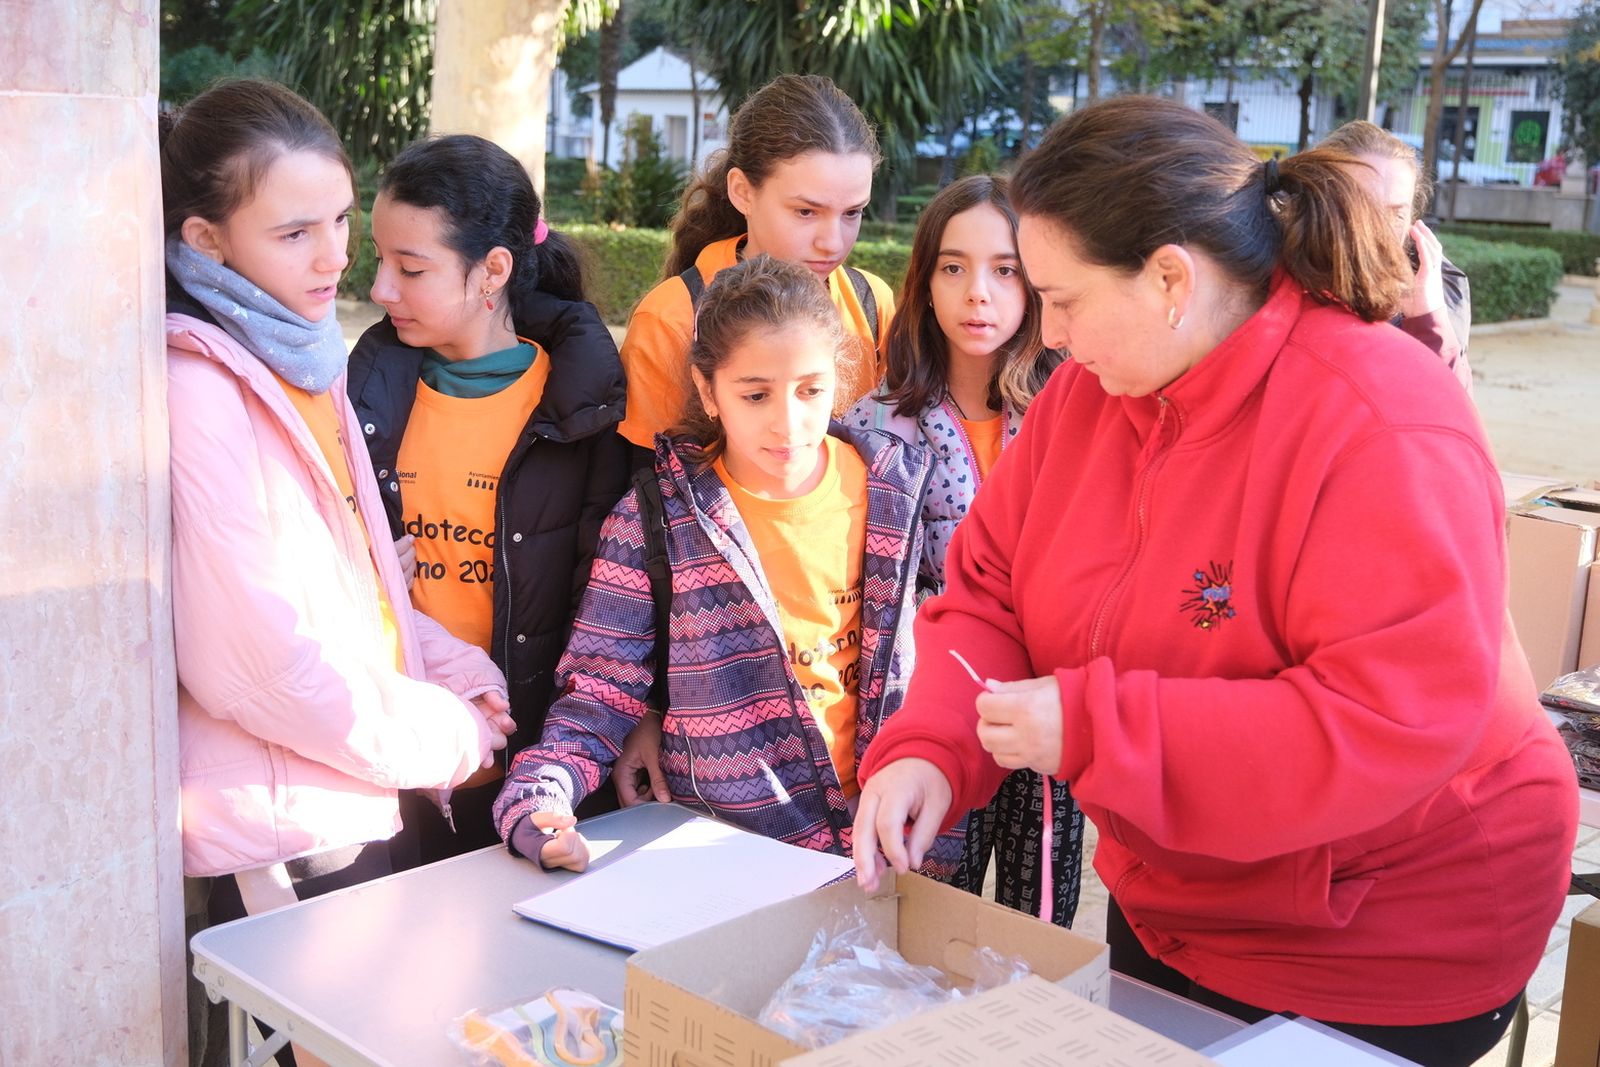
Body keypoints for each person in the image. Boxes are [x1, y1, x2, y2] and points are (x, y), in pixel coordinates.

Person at [852, 96, 1576, 1067]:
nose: (1050, 331)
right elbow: (988, 590)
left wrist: (1098, 726)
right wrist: (932, 745)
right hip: (1177, 895)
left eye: (1063, 297)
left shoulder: (1382, 423)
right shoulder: (1084, 399)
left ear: (1167, 280)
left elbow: (1383, 718)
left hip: (1383, 929)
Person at [162, 79, 531, 1065]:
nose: (336, 258)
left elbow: (366, 587)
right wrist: (446, 731)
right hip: (286, 833)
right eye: (294, 234)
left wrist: (459, 674)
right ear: (206, 241)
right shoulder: (201, 387)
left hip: (354, 796)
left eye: (337, 220)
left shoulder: (301, 357)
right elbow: (259, 662)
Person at [493, 256, 962, 878]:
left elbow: (954, 660)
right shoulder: (655, 518)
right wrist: (539, 799)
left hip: (898, 857)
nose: (788, 422)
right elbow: (599, 692)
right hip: (732, 864)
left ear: (839, 381)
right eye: (756, 394)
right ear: (709, 391)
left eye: (810, 391)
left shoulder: (899, 493)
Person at [347, 135, 631, 864]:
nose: (381, 289)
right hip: (394, 769)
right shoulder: (367, 393)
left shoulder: (581, 411)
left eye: (411, 268)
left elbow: (613, 611)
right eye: (380, 260)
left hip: (537, 780)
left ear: (492, 271)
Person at [845, 175, 1079, 926]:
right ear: (925, 279)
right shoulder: (873, 425)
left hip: (1053, 702)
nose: (978, 294)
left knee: (1039, 919)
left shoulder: (1077, 411)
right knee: (934, 914)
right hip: (935, 706)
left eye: (1004, 269)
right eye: (953, 267)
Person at [614, 73, 895, 455]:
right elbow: (644, 482)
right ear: (743, 192)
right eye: (806, 211)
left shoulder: (873, 303)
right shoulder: (670, 319)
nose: (832, 242)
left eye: (852, 213)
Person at [1316, 121, 1473, 393]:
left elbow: (1449, 416)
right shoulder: (1269, 272)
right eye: (1361, 207)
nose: (1379, 230)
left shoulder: (1435, 290)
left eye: (1396, 213)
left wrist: (1427, 320)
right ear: (1317, 204)